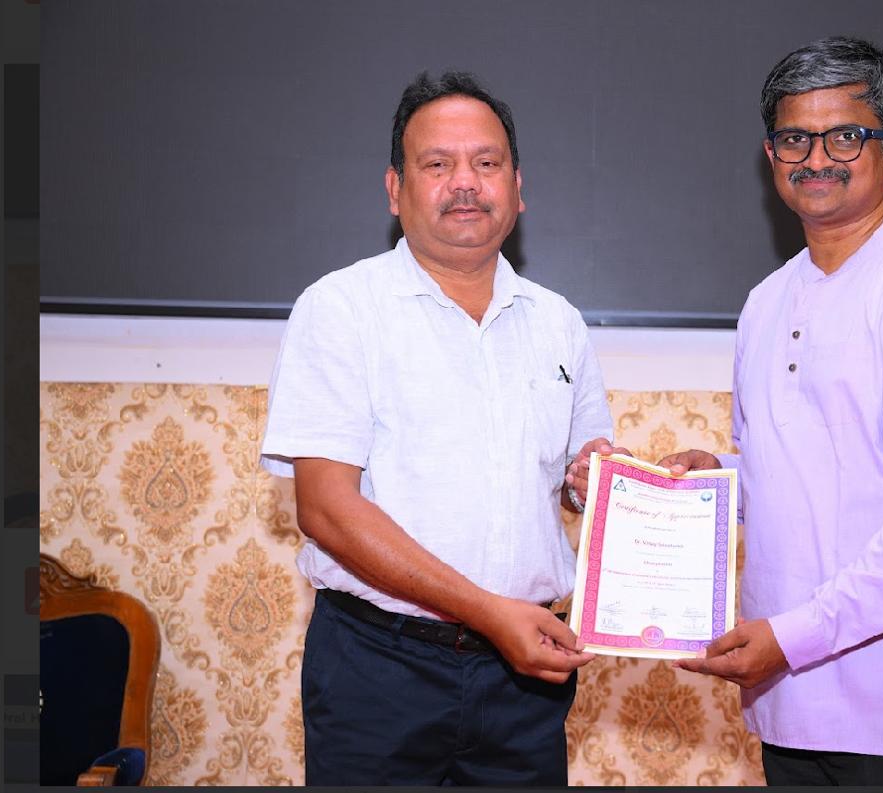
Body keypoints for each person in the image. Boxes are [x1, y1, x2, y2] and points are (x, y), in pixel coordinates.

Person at [658, 36, 883, 786]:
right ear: (771, 156)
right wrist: (717, 479)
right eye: (795, 138)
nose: (816, 157)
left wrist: (792, 637)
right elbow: (806, 468)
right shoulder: (766, 303)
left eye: (845, 136)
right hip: (793, 709)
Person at [260, 70, 620, 786]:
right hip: (378, 673)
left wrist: (600, 481)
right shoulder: (341, 309)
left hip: (525, 684)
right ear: (395, 189)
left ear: (517, 187)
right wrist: (489, 614)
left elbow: (576, 483)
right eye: (437, 164)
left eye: (486, 163)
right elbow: (325, 509)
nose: (465, 183)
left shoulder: (559, 323)